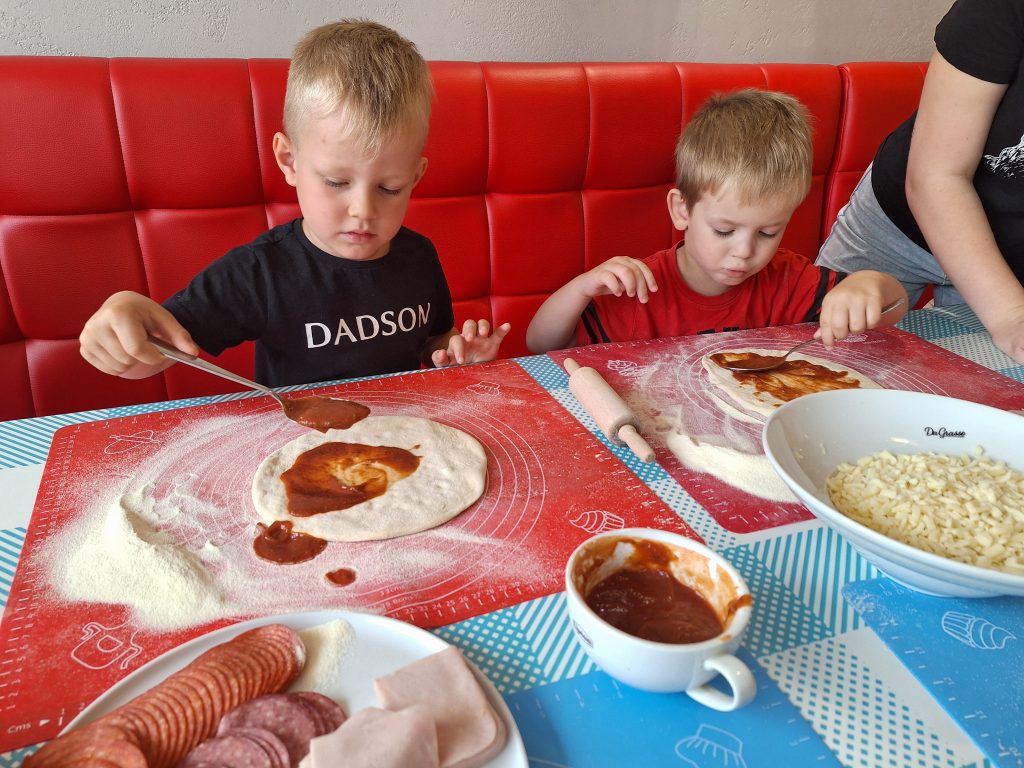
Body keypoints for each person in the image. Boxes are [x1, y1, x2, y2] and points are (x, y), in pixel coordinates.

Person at [80, 20, 509, 387]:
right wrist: (123, 322)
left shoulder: (419, 256)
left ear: (415, 177)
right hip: (302, 444)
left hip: (402, 434)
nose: (363, 210)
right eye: (336, 182)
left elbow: (433, 340)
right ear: (289, 161)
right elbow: (156, 352)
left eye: (390, 188)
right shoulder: (260, 272)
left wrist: (455, 351)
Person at [526, 89, 907, 353]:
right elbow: (543, 346)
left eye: (768, 232)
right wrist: (581, 289)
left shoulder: (789, 281)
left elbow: (894, 310)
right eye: (724, 230)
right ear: (682, 210)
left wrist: (869, 284)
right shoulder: (640, 291)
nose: (744, 251)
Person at [816, 0, 1024, 364]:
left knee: (974, 389)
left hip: (1009, 259)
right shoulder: (1000, 8)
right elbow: (937, 175)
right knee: (824, 362)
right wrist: (1013, 317)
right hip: (898, 224)